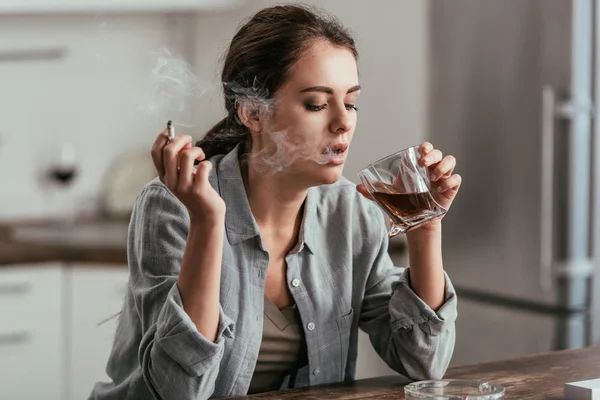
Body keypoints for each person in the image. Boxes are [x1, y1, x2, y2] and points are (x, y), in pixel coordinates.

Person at [89, 4, 462, 400]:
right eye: (317, 104)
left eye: (350, 102)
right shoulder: (173, 208)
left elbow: (425, 363)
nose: (343, 121)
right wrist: (208, 223)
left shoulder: (350, 213)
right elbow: (178, 391)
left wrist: (425, 227)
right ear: (252, 111)